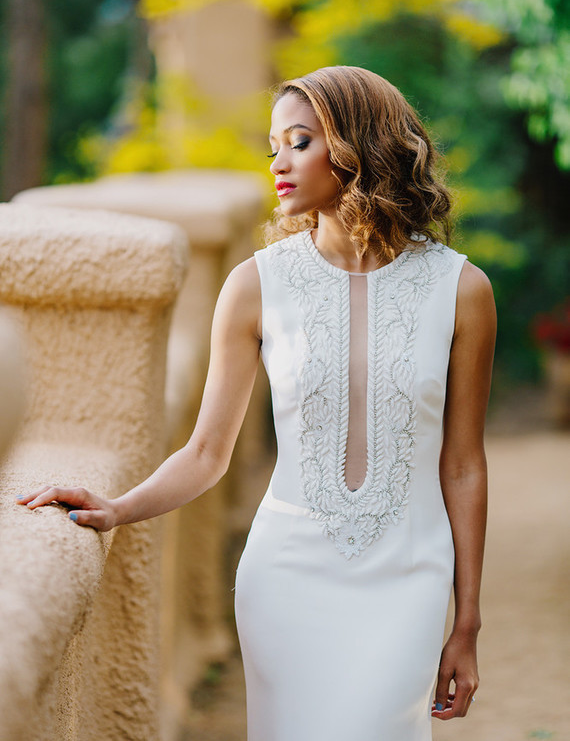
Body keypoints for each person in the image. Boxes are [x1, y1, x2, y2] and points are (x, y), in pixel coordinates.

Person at [17, 65, 496, 741]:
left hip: (410, 579)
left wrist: (467, 620)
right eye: (273, 144)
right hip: (288, 577)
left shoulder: (463, 289)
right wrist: (119, 507)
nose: (278, 162)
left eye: (299, 141)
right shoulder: (255, 286)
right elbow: (207, 450)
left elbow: (464, 465)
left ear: (359, 144)